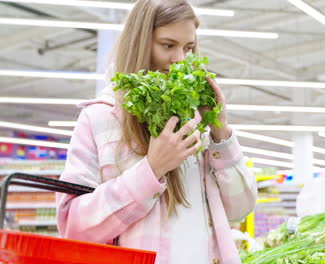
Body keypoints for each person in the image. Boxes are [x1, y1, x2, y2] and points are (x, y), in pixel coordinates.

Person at [55, 1, 258, 264]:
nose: (180, 59)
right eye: (168, 45)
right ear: (140, 43)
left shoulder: (192, 119)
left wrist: (221, 133)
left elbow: (240, 209)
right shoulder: (101, 118)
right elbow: (73, 226)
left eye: (188, 47)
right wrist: (151, 169)